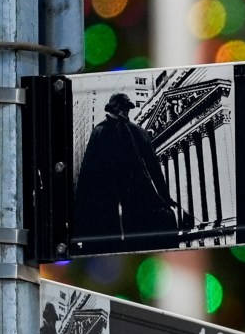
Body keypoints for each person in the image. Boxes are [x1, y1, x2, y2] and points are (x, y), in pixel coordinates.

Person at [73, 92, 179, 243]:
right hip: (108, 196)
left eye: (127, 108)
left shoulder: (138, 133)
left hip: (135, 194)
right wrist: (81, 205)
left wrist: (164, 195)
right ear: (113, 109)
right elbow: (87, 171)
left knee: (138, 235)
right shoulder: (100, 131)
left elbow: (153, 167)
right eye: (122, 108)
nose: (125, 112)